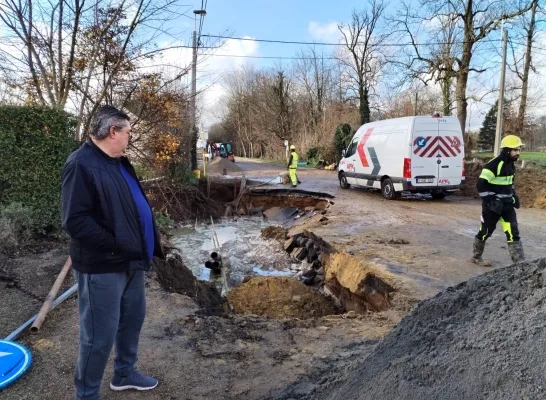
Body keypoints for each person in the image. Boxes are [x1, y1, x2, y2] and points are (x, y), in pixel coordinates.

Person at [61, 105, 165, 400]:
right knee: (98, 336)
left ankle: (124, 373)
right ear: (113, 131)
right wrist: (118, 243)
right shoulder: (80, 164)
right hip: (102, 266)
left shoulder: (118, 161)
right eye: (128, 132)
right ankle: (87, 394)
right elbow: (75, 221)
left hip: (131, 260)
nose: (130, 138)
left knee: (133, 319)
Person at [471, 134, 525, 266]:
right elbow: (481, 184)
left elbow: (509, 184)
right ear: (507, 150)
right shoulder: (494, 165)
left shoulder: (511, 165)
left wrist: (514, 196)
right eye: (515, 150)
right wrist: (490, 201)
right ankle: (476, 257)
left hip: (507, 206)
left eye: (519, 150)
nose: (518, 152)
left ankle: (520, 264)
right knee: (485, 232)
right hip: (492, 207)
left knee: (513, 233)